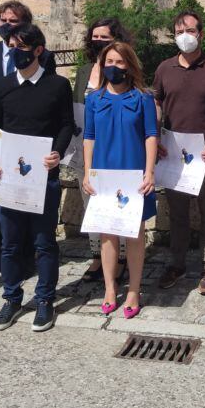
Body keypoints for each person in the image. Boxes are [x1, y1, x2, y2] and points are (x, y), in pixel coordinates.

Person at [0, 24, 75, 332]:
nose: (16, 53)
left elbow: (66, 124)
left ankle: (45, 300)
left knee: (44, 242)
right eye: (12, 47)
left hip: (43, 178)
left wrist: (57, 152)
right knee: (10, 244)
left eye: (22, 47)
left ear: (38, 50)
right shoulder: (1, 86)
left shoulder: (57, 86)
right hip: (8, 178)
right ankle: (11, 298)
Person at [0, 0, 57, 278]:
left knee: (30, 202)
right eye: (3, 20)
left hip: (32, 142)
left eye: (13, 21)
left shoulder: (44, 57)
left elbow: (48, 97)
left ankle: (27, 255)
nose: (7, 25)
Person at [153, 11, 205, 295]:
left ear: (201, 34)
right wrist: (154, 135)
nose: (184, 36)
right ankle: (177, 264)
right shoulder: (164, 68)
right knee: (177, 213)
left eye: (190, 31)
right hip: (172, 152)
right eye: (179, 32)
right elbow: (157, 102)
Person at [82, 41, 158, 320]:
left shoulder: (143, 98)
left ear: (129, 65)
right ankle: (110, 289)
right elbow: (89, 137)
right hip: (104, 173)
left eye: (119, 62)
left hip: (133, 173)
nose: (113, 67)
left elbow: (151, 135)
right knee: (107, 234)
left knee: (135, 234)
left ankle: (134, 290)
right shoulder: (94, 99)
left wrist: (149, 171)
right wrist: (88, 172)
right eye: (109, 62)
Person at [73, 17, 132, 282]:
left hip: (115, 148)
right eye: (94, 37)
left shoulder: (124, 69)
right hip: (86, 148)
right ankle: (97, 255)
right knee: (91, 203)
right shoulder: (84, 71)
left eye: (104, 38)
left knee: (119, 202)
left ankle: (121, 257)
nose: (98, 42)